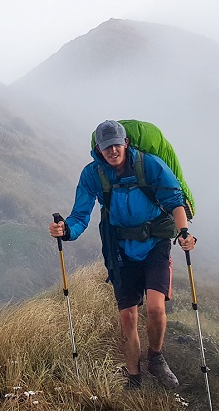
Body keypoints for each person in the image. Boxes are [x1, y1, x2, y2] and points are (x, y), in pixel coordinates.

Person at [49, 120, 196, 389]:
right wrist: (65, 229)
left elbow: (175, 201)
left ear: (126, 143)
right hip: (120, 247)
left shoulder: (149, 165)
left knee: (154, 307)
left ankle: (156, 357)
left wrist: (184, 232)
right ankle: (134, 377)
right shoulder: (92, 174)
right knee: (127, 315)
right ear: (98, 149)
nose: (113, 151)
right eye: (106, 147)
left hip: (156, 242)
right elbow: (81, 214)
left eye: (117, 144)